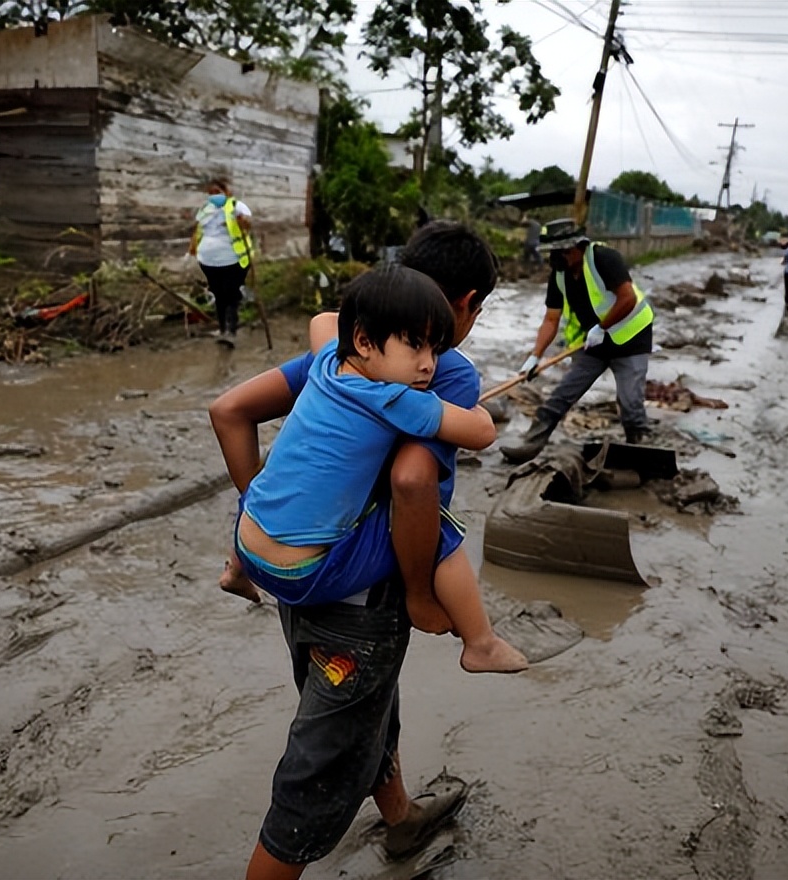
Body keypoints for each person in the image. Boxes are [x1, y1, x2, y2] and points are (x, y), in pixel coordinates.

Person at [207, 221, 501, 879]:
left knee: (362, 716)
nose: (428, 357)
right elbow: (411, 479)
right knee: (318, 770)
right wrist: (422, 593)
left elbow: (232, 406)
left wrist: (264, 503)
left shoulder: (344, 351)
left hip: (294, 576)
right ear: (467, 304)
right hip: (357, 599)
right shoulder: (445, 373)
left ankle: (401, 819)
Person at [216, 265, 527, 674]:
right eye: (414, 346)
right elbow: (482, 431)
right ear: (363, 340)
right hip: (302, 576)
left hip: (247, 539)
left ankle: (236, 570)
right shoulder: (392, 399)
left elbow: (322, 322)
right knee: (435, 519)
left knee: (279, 474)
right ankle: (480, 642)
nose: (428, 366)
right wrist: (463, 403)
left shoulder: (327, 359)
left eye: (435, 350)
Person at [499, 225, 655, 465]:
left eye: (558, 253)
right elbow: (551, 319)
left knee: (630, 401)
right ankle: (530, 445)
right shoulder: (559, 274)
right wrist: (535, 356)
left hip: (630, 338)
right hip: (592, 344)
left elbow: (628, 298)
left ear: (575, 248)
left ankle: (640, 450)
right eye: (550, 253)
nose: (553, 259)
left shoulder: (604, 259)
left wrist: (603, 328)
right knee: (562, 395)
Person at [189, 177, 252, 346]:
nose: (213, 196)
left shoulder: (236, 206)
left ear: (226, 191)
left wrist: (242, 221)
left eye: (217, 192)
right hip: (208, 261)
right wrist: (193, 246)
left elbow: (247, 225)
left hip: (232, 260)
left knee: (231, 294)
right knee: (218, 295)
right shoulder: (205, 209)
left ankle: (232, 332)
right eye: (210, 193)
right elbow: (198, 230)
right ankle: (222, 329)